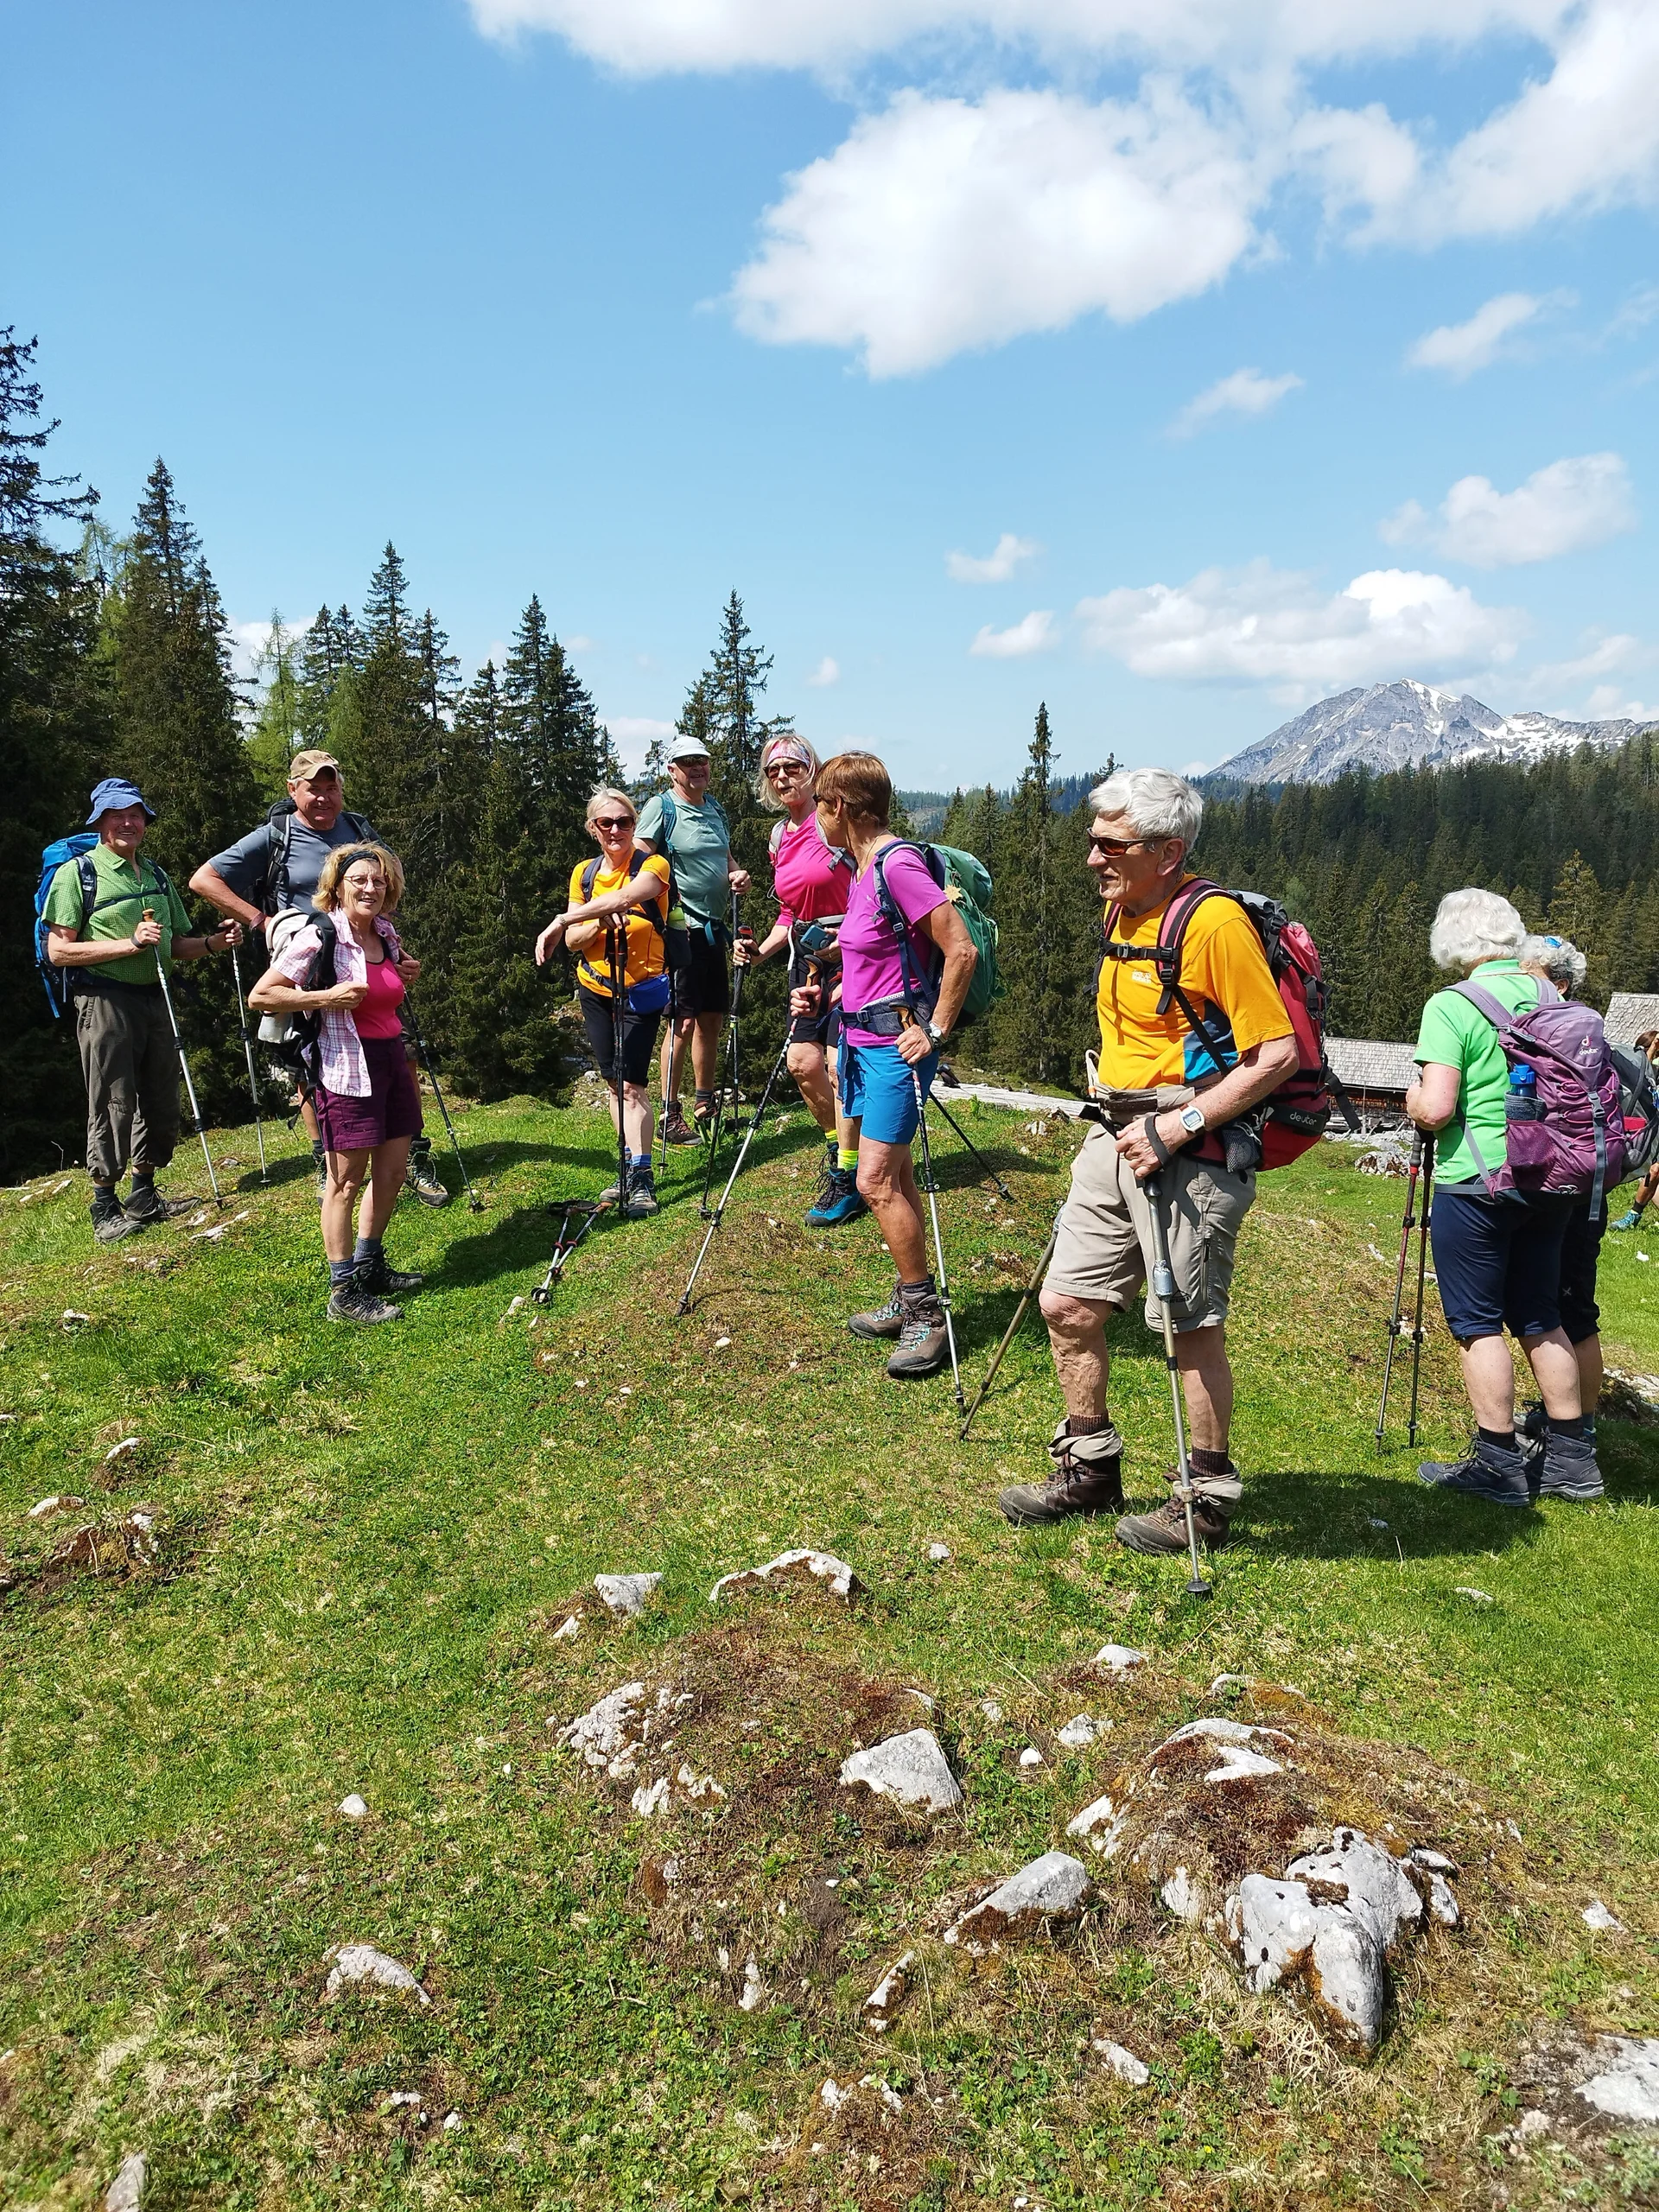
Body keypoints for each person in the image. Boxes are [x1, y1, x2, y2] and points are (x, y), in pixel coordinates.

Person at [995, 767, 1298, 1555]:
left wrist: (1178, 1126)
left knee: (1189, 1327)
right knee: (1067, 1304)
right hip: (1114, 1131)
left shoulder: (1213, 925)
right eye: (1091, 841)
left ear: (1168, 850)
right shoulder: (1123, 911)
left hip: (1188, 1145)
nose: (1094, 857)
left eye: (1111, 845)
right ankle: (1091, 1466)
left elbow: (1276, 1053)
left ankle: (1204, 1498)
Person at [189, 749, 450, 1208]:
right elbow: (204, 880)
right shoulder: (276, 835)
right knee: (309, 1060)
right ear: (293, 790)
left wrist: (396, 953)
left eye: (332, 787)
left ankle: (410, 1156)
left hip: (365, 957)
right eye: (313, 788)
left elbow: (382, 895)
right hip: (307, 961)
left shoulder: (359, 830)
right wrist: (260, 920)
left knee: (399, 1048)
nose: (324, 797)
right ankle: (326, 1159)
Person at [1406, 891, 1599, 1504]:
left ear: (1452, 943)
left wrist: (1413, 1102)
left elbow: (1436, 1108)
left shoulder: (1453, 1004)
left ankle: (1498, 1465)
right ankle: (1573, 1462)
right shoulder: (1551, 994)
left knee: (1477, 1323)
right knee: (1541, 1315)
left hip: (1478, 1181)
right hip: (1553, 1181)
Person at [806, 752, 976, 1380]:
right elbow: (875, 957)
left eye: (821, 807)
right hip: (861, 1040)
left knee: (874, 1181)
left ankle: (927, 1315)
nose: (816, 820)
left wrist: (935, 1031)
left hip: (894, 1050)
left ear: (842, 809)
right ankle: (910, 1301)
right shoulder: (863, 870)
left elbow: (960, 949)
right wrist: (827, 981)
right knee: (894, 1176)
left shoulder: (898, 864)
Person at [44, 779, 245, 1244]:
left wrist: (215, 943)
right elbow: (58, 951)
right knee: (113, 1099)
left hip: (155, 997)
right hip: (105, 1000)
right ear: (99, 822)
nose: (128, 823)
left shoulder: (154, 875)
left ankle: (143, 1193)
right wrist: (127, 943)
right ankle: (103, 1205)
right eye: (117, 816)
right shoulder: (78, 874)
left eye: (136, 815)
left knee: (159, 1095)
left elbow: (174, 944)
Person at [248, 843, 427, 1324]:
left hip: (391, 1059)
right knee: (345, 1180)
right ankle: (343, 1290)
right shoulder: (318, 934)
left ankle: (370, 1265)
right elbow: (262, 995)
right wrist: (327, 996)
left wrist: (405, 971)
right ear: (338, 886)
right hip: (345, 1066)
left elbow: (389, 985)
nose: (371, 888)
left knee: (392, 1173)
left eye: (380, 880)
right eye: (360, 880)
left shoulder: (385, 933)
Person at [732, 732, 866, 1228]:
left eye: (792, 767)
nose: (783, 777)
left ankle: (850, 1176)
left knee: (839, 1063)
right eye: (773, 771)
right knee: (804, 1063)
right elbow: (789, 910)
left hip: (855, 954)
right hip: (806, 957)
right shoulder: (778, 838)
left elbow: (869, 889)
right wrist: (759, 952)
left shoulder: (835, 821)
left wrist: (848, 943)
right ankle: (841, 1153)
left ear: (812, 770)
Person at [533, 789, 672, 1218]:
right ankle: (629, 1168)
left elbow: (628, 897)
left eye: (625, 822)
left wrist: (564, 919)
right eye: (606, 823)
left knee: (632, 1085)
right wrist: (592, 922)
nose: (616, 830)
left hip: (641, 990)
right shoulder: (585, 872)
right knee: (613, 1083)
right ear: (593, 829)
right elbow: (576, 944)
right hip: (594, 988)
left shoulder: (653, 865)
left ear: (635, 825)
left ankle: (642, 1175)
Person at [1514, 933, 1605, 1496]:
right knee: (1564, 1307)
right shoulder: (1589, 1040)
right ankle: (1568, 1427)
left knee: (1566, 1311)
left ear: (1561, 983)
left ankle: (1577, 1442)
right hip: (1583, 1190)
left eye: (1533, 976)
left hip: (1563, 1193)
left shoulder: (1558, 1038)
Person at [636, 734, 750, 1144]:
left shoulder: (714, 807)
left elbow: (725, 855)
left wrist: (737, 873)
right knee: (682, 1020)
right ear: (672, 770)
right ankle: (669, 1113)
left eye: (701, 760)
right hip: (680, 930)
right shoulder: (662, 808)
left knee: (712, 1017)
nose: (697, 767)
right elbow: (640, 861)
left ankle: (705, 1101)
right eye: (687, 762)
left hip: (713, 929)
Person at [1611, 1029, 1659, 1230]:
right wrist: (1653, 1049)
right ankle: (1634, 1214)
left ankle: (1634, 1214)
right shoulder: (1649, 1067)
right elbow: (1643, 1074)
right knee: (1655, 1171)